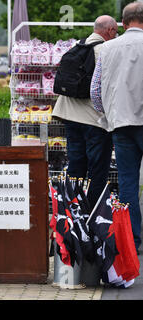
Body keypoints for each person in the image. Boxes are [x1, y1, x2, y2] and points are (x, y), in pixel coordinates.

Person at [91, 2, 143, 255]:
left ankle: (133, 237)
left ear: (123, 23)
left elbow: (95, 91)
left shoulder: (107, 48)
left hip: (120, 123)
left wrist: (108, 113)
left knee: (127, 182)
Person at [52, 15, 118, 207]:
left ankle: (73, 210)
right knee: (97, 169)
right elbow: (105, 88)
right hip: (94, 120)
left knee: (76, 164)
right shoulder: (105, 51)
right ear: (110, 31)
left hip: (69, 115)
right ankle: (94, 213)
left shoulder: (77, 47)